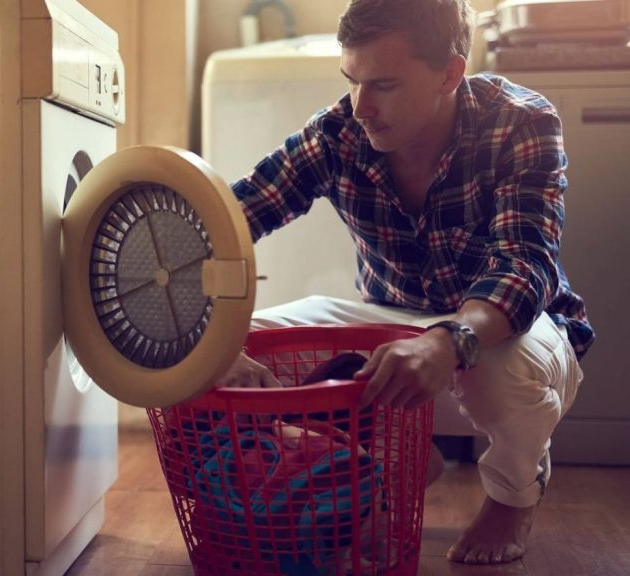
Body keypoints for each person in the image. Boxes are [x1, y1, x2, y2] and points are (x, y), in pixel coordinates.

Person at [216, 0, 593, 566]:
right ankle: (383, 470)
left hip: (509, 330)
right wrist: (213, 337)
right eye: (352, 81)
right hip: (390, 321)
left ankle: (513, 496)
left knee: (501, 369)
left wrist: (447, 341)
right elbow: (225, 220)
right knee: (228, 343)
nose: (361, 106)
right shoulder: (337, 133)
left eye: (384, 84)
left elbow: (524, 265)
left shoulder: (520, 120)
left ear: (450, 72)